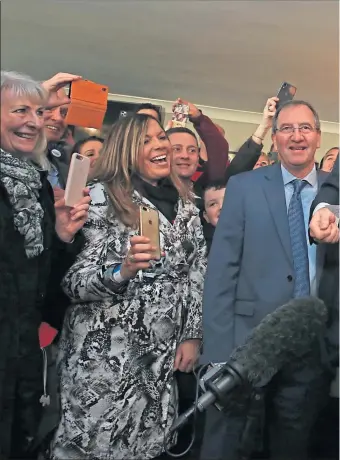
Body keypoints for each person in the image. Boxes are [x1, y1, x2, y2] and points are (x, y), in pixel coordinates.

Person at [50, 114, 206, 460]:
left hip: (158, 362)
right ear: (125, 151)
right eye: (146, 140)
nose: (160, 145)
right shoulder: (99, 200)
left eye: (160, 137)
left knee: (144, 447)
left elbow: (196, 273)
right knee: (89, 447)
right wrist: (122, 270)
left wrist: (192, 335)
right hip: (105, 360)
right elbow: (73, 283)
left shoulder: (186, 204)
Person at [201, 100, 329, 460]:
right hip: (246, 343)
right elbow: (223, 270)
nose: (296, 136)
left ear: (318, 137)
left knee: (292, 443)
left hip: (310, 348)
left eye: (305, 128)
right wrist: (218, 352)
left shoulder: (334, 193)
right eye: (286, 128)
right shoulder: (244, 186)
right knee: (230, 444)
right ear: (274, 138)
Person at [0, 70, 90, 459]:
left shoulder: (36, 182)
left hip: (21, 350)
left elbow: (40, 272)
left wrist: (63, 235)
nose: (35, 122)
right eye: (22, 110)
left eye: (40, 112)